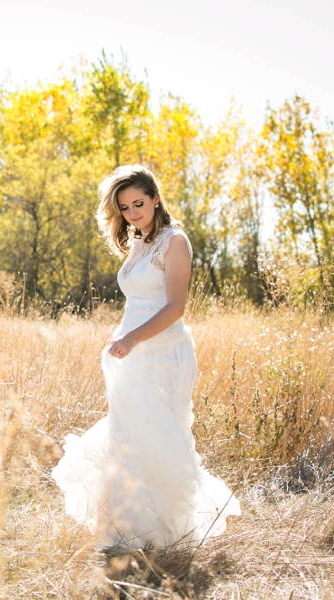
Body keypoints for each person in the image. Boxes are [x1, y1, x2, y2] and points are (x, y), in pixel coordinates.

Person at [51, 165, 240, 550]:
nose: (133, 213)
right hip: (131, 354)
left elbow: (175, 307)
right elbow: (137, 301)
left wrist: (133, 339)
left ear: (156, 199)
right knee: (128, 437)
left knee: (158, 436)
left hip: (163, 354)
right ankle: (124, 531)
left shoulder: (175, 242)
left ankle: (168, 534)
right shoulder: (140, 243)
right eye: (125, 208)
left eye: (139, 203)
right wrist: (122, 340)